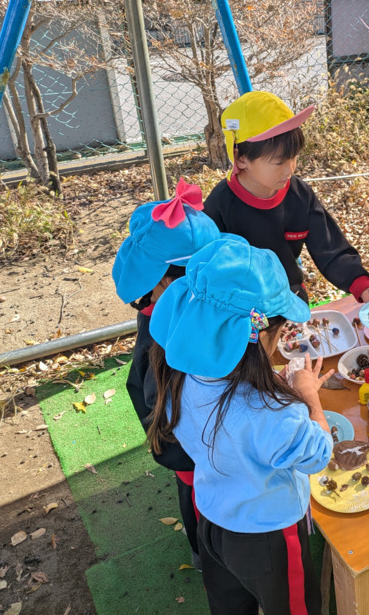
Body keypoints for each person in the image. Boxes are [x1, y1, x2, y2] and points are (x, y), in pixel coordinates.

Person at [147, 238, 333, 615]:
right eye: (279, 332)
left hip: (213, 520)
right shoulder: (274, 413)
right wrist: (308, 395)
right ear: (261, 334)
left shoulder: (179, 376)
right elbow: (318, 455)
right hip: (270, 536)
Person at [111, 177, 233, 568]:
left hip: (202, 442)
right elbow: (164, 418)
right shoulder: (160, 345)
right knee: (202, 505)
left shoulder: (171, 309)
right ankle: (206, 556)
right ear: (166, 283)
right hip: (191, 454)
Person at [204, 90, 369, 305]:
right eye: (279, 162)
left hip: (291, 297)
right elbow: (205, 265)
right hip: (241, 307)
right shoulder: (221, 205)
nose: (290, 170)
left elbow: (328, 246)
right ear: (241, 158)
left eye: (294, 158)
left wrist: (360, 283)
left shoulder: (299, 194)